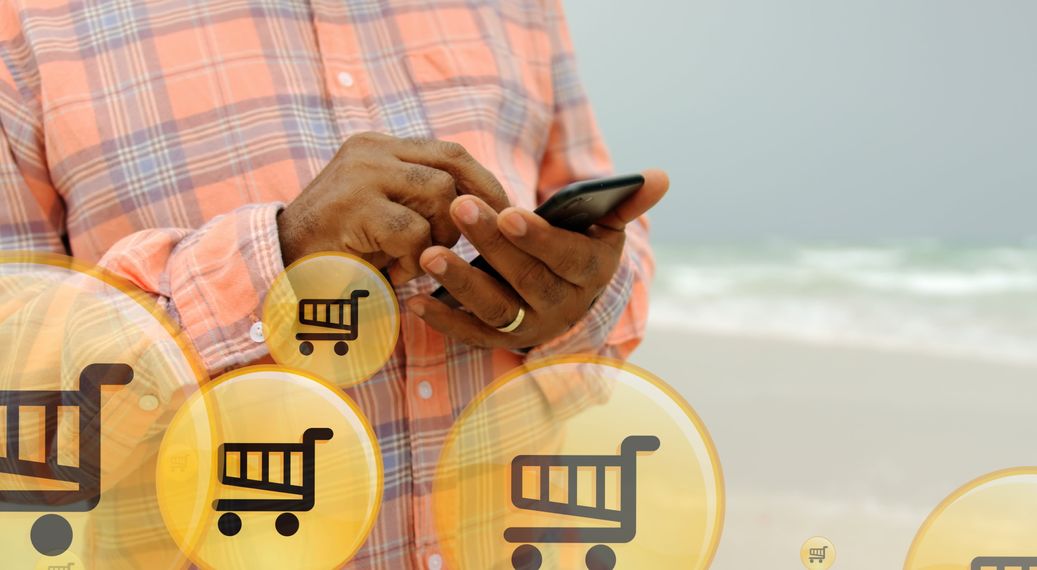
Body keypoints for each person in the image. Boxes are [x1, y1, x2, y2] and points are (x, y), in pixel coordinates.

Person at [0, 1, 665, 567]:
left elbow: (613, 277)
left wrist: (570, 302)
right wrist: (279, 260)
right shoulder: (28, 24)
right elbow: (21, 438)